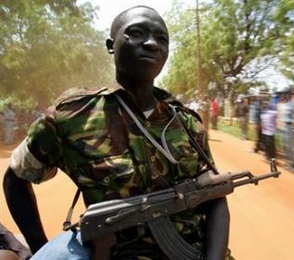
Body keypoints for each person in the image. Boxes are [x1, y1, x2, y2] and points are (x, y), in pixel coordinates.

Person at [3, 6, 231, 260]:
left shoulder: (187, 122)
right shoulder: (73, 116)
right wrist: (37, 246)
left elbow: (216, 195)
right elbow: (15, 179)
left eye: (162, 39)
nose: (152, 44)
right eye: (137, 33)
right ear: (111, 45)